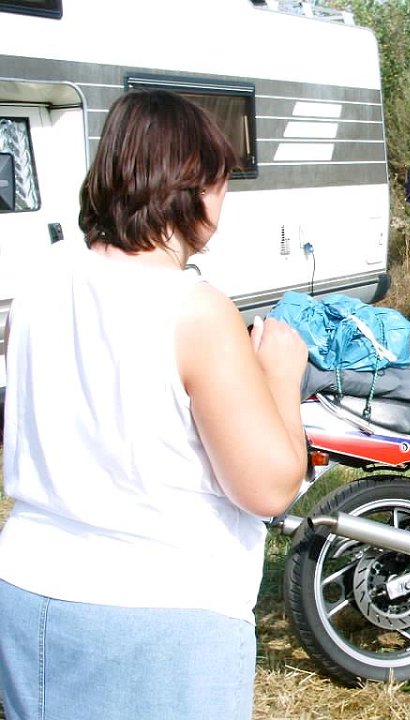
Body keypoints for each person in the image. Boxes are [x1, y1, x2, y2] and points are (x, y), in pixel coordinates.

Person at [0, 89, 308, 720]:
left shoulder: (38, 279)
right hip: (159, 612)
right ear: (192, 188)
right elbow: (269, 488)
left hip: (27, 590)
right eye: (221, 182)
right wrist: (280, 376)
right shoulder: (194, 309)